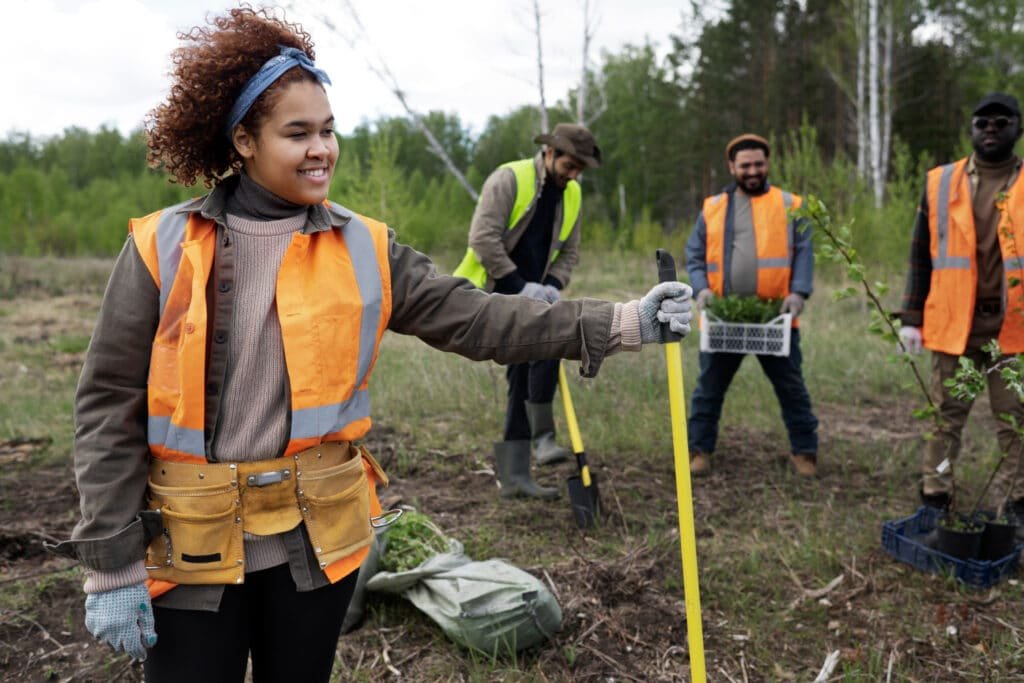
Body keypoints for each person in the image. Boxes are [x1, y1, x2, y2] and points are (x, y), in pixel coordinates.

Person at [44, 8, 693, 681]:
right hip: (189, 547)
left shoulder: (366, 246)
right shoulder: (161, 245)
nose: (321, 148)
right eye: (297, 133)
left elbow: (479, 319)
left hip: (314, 546)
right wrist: (112, 561)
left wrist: (620, 323)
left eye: (328, 130)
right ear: (243, 139)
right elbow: (107, 404)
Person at [453, 123, 600, 498]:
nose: (574, 175)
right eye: (570, 165)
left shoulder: (572, 194)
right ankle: (533, 449)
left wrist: (553, 284)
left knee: (545, 353)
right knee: (528, 366)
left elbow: (570, 251)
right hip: (496, 291)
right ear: (550, 154)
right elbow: (482, 238)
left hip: (538, 292)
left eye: (580, 169)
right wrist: (521, 285)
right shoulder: (509, 179)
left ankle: (524, 462)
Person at [898, 92, 1024, 516]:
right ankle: (937, 495)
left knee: (1014, 424)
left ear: (1017, 129)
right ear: (971, 129)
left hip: (1014, 332)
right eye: (982, 121)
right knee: (944, 419)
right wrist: (911, 317)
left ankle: (1015, 503)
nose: (991, 127)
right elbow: (920, 255)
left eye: (1001, 121)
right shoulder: (940, 182)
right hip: (955, 327)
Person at [685, 134, 818, 478]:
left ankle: (805, 452)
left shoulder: (790, 204)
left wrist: (799, 293)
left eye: (759, 164)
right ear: (732, 167)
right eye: (745, 165)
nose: (753, 171)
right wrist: (700, 290)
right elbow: (695, 256)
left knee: (792, 388)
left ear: (767, 163)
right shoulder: (713, 208)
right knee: (708, 390)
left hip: (775, 319)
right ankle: (699, 451)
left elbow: (804, 251)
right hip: (723, 319)